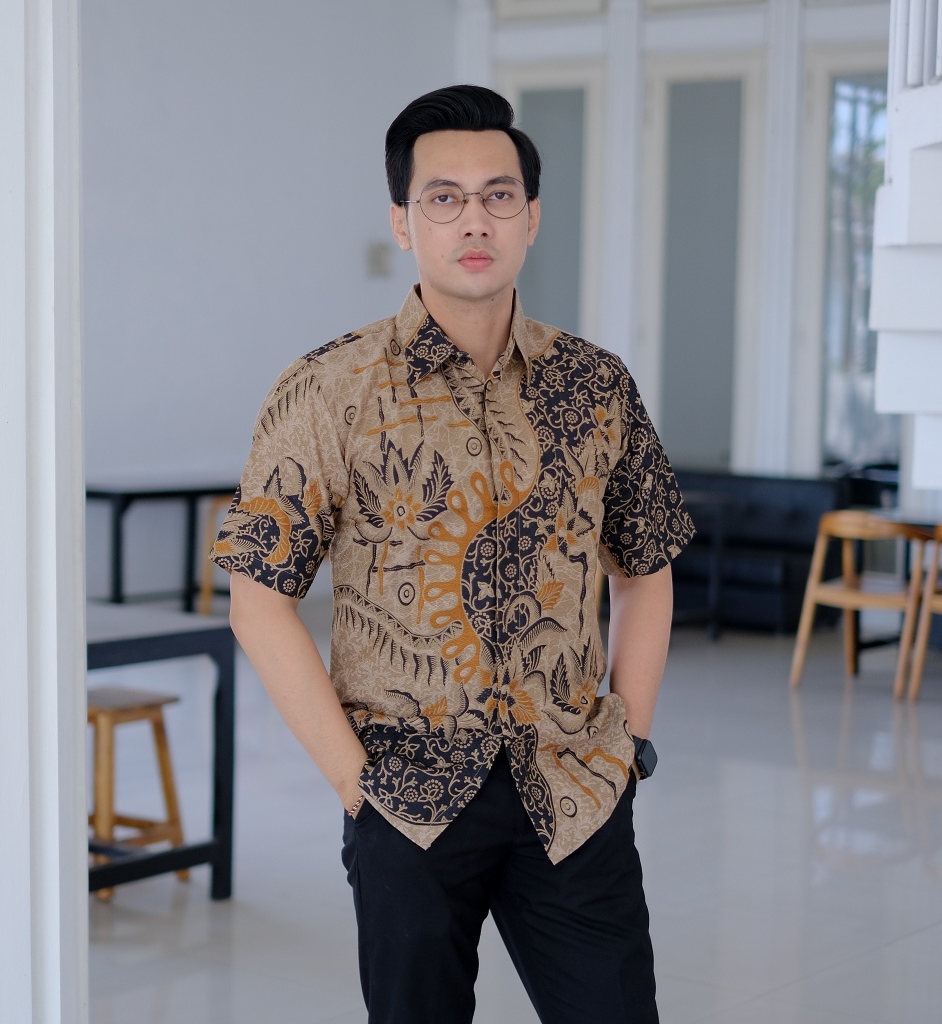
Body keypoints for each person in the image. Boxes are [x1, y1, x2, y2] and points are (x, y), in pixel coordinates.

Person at [212, 84, 694, 1024]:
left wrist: (624, 747)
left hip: (575, 790)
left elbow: (646, 571)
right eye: (444, 197)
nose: (475, 219)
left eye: (498, 195)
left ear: (532, 217)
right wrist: (355, 783)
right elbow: (257, 600)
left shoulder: (595, 385)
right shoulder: (329, 389)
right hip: (407, 802)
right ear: (403, 220)